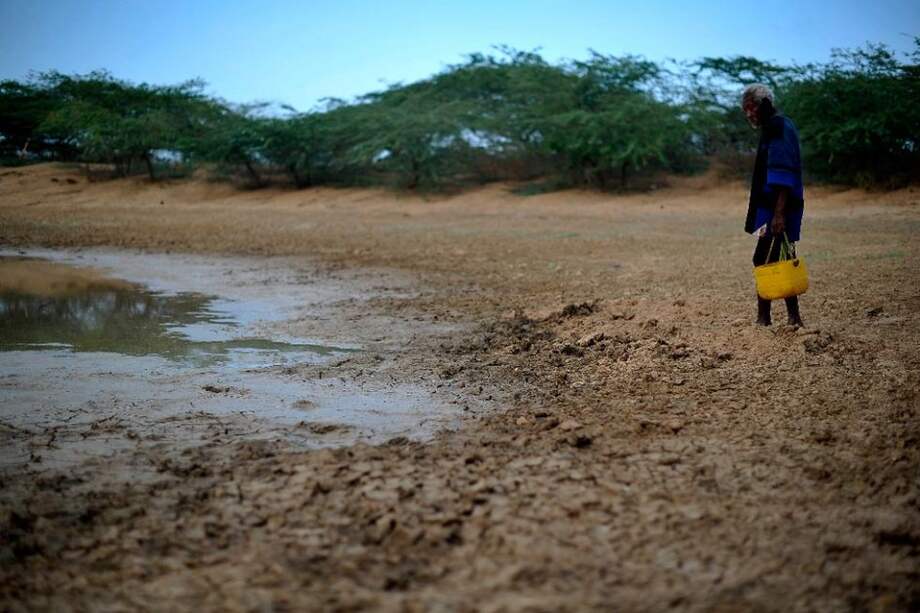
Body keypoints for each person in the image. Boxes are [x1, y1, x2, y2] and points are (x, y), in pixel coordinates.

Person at [742, 83, 805, 327]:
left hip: (777, 208)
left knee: (767, 257)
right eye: (745, 110)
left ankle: (771, 318)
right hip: (768, 207)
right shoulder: (772, 127)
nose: (749, 114)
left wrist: (779, 214)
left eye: (751, 107)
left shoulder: (779, 126)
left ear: (765, 104)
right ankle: (785, 317)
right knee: (779, 255)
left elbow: (783, 173)